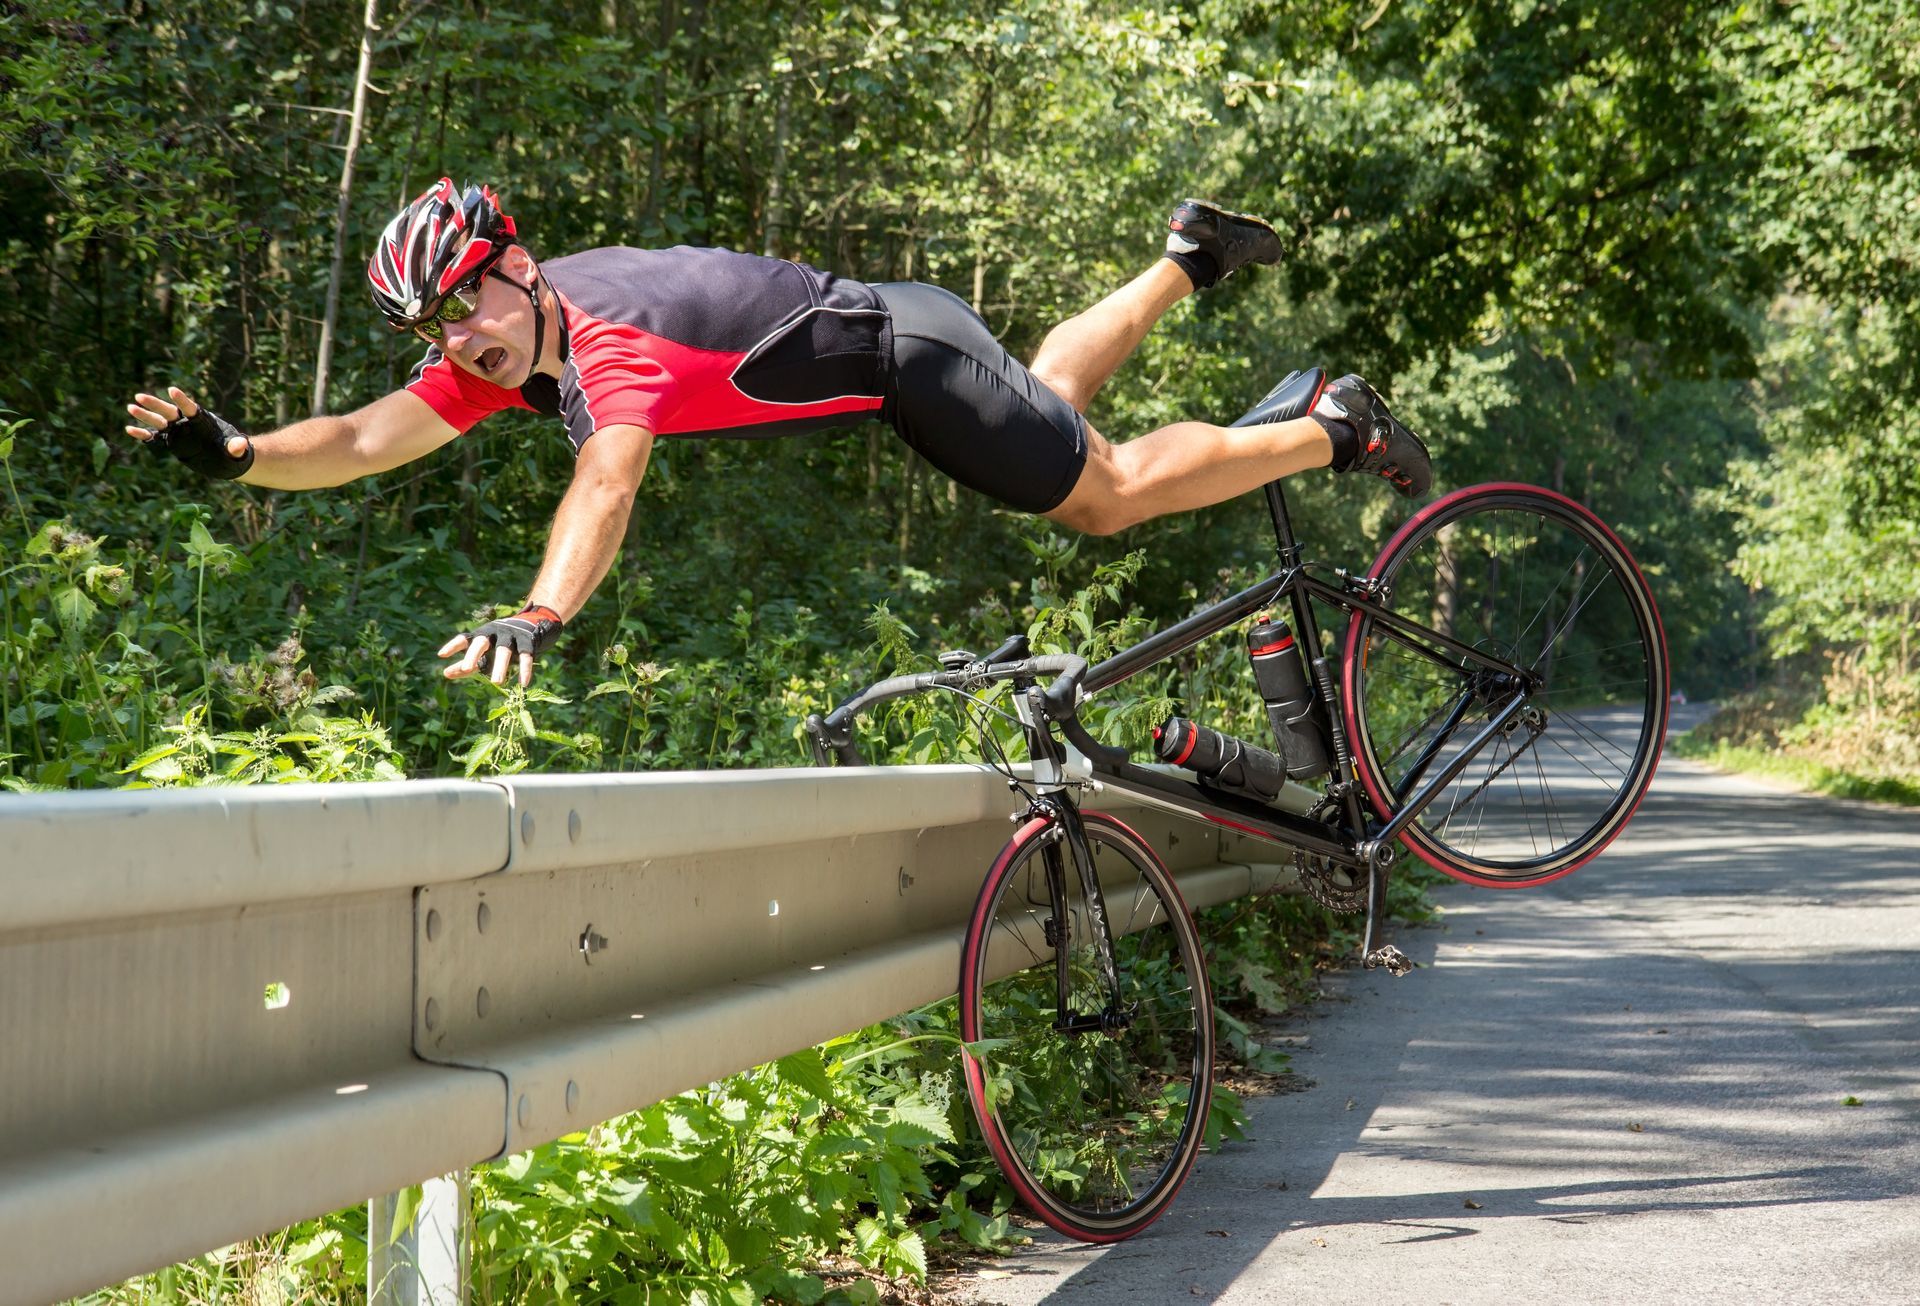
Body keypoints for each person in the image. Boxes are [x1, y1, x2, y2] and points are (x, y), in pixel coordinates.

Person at [125, 180, 1430, 688]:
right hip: (908, 341)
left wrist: (540, 610)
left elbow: (608, 478)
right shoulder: (511, 338)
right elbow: (359, 441)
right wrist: (238, 455)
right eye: (435, 323)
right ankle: (1187, 261)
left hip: (906, 362)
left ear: (516, 263)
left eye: (468, 296)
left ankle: (1327, 424)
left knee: (1108, 492)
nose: (458, 337)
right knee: (1052, 403)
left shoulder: (596, 336)